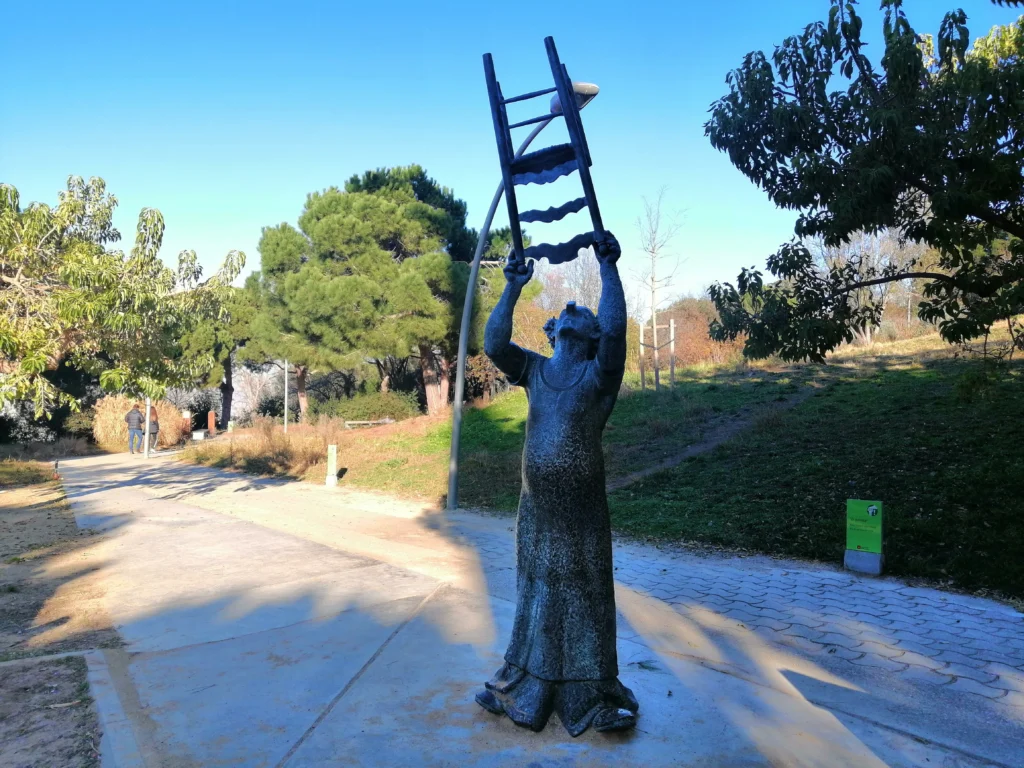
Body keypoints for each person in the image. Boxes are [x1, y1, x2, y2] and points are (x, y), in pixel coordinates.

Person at [476, 232, 638, 736]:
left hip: (581, 515)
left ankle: (590, 697)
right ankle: (526, 683)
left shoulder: (598, 377)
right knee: (537, 596)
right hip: (539, 511)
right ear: (554, 332)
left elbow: (615, 334)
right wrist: (512, 287)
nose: (572, 303)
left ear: (588, 337)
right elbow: (493, 344)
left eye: (583, 310)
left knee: (585, 596)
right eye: (569, 307)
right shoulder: (537, 371)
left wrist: (608, 269)